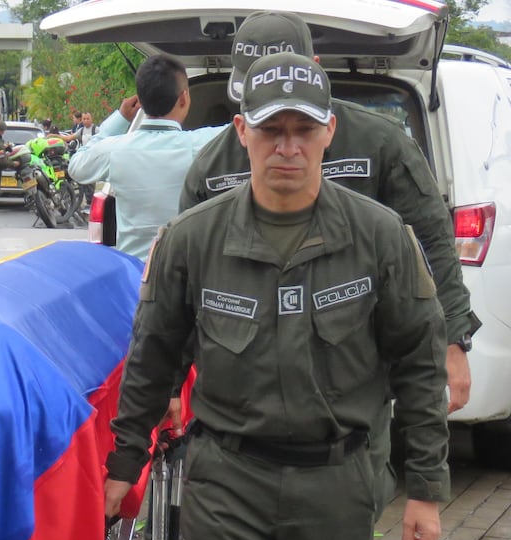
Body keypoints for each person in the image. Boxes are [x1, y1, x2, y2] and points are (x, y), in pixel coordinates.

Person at [105, 52, 448, 540]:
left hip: (336, 488)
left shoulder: (379, 238)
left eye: (303, 130)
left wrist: (426, 489)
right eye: (271, 130)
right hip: (229, 484)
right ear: (242, 132)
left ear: (328, 132)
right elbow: (153, 356)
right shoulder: (193, 240)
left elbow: (420, 363)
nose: (287, 147)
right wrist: (125, 460)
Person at [181, 11, 477, 433]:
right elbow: (184, 284)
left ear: (316, 69)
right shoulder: (211, 167)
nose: (285, 142)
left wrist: (452, 339)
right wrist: (172, 384)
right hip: (247, 387)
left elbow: (430, 244)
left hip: (352, 371)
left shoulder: (380, 144)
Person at [68, 55, 225, 261]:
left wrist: (120, 118)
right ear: (184, 98)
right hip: (183, 272)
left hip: (135, 274)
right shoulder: (201, 144)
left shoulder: (115, 150)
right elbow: (249, 130)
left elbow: (76, 166)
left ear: (140, 101)